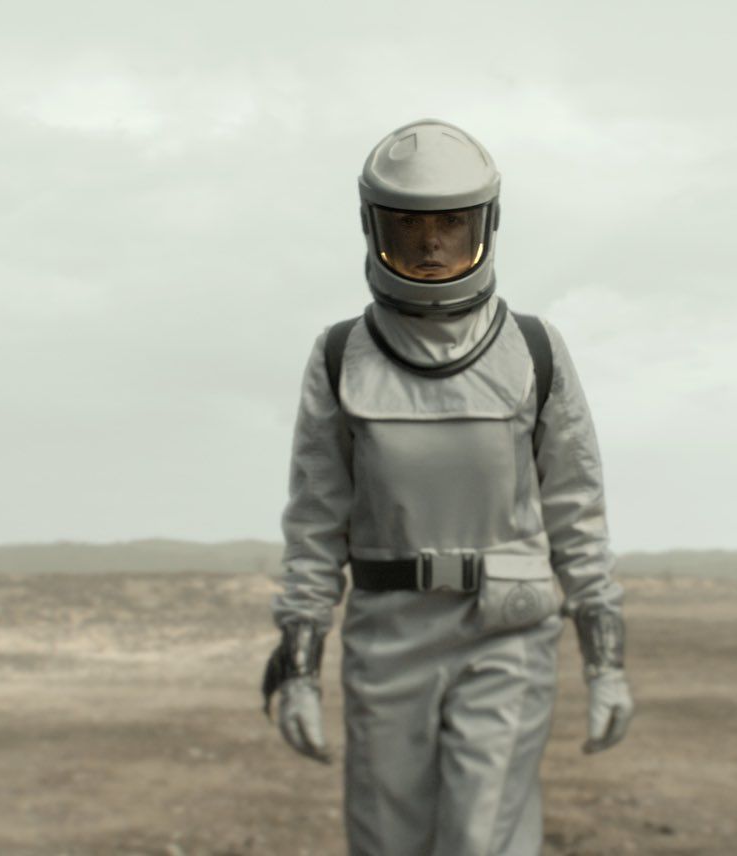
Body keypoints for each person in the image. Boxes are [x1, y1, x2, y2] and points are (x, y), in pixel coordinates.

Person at [261, 118, 633, 855]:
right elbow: (314, 521)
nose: (432, 245)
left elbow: (576, 511)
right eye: (409, 227)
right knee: (388, 840)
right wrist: (299, 663)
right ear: (374, 228)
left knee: (480, 838)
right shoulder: (342, 357)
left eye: (451, 226)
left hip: (507, 630)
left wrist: (605, 656)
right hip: (387, 634)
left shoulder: (533, 352)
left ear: (485, 226)